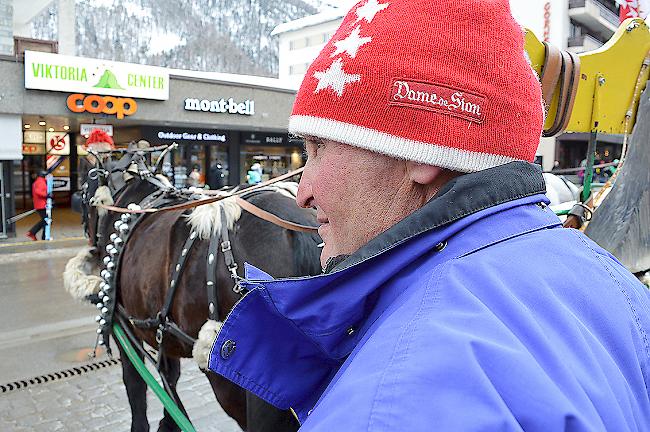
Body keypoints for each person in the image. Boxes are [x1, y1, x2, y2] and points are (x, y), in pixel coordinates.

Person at [207, 1, 650, 430]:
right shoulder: (620, 291)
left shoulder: (386, 403)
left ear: (424, 152)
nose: (302, 192)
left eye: (320, 149)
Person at [26, 170, 49, 241]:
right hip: (42, 205)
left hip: (39, 204)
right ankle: (32, 232)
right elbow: (39, 192)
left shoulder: (37, 181)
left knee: (45, 220)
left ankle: (41, 235)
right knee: (46, 220)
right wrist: (47, 195)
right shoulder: (41, 182)